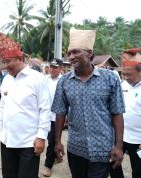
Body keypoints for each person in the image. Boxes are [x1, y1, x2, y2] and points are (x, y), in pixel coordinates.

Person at [52, 28, 125, 178]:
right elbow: (60, 112)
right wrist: (57, 141)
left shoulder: (110, 78)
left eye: (76, 52)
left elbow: (117, 112)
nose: (71, 57)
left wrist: (118, 146)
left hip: (102, 147)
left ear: (90, 53)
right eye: (69, 53)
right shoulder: (64, 81)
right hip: (76, 147)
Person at [0, 32, 51, 178]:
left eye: (8, 62)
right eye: (3, 62)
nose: (5, 66)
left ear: (20, 58)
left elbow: (45, 109)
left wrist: (41, 137)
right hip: (7, 140)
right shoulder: (6, 80)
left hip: (28, 142)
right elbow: (3, 106)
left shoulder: (37, 79)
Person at [109, 48, 141, 178]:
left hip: (138, 139)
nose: (126, 77)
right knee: (112, 163)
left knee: (138, 171)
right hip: (120, 135)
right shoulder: (122, 85)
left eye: (129, 74)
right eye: (124, 74)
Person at [41, 58, 63, 177]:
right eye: (51, 67)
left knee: (52, 141)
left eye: (55, 67)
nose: (52, 69)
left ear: (61, 68)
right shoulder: (44, 79)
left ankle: (48, 165)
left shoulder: (64, 81)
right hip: (44, 115)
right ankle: (57, 156)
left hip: (57, 117)